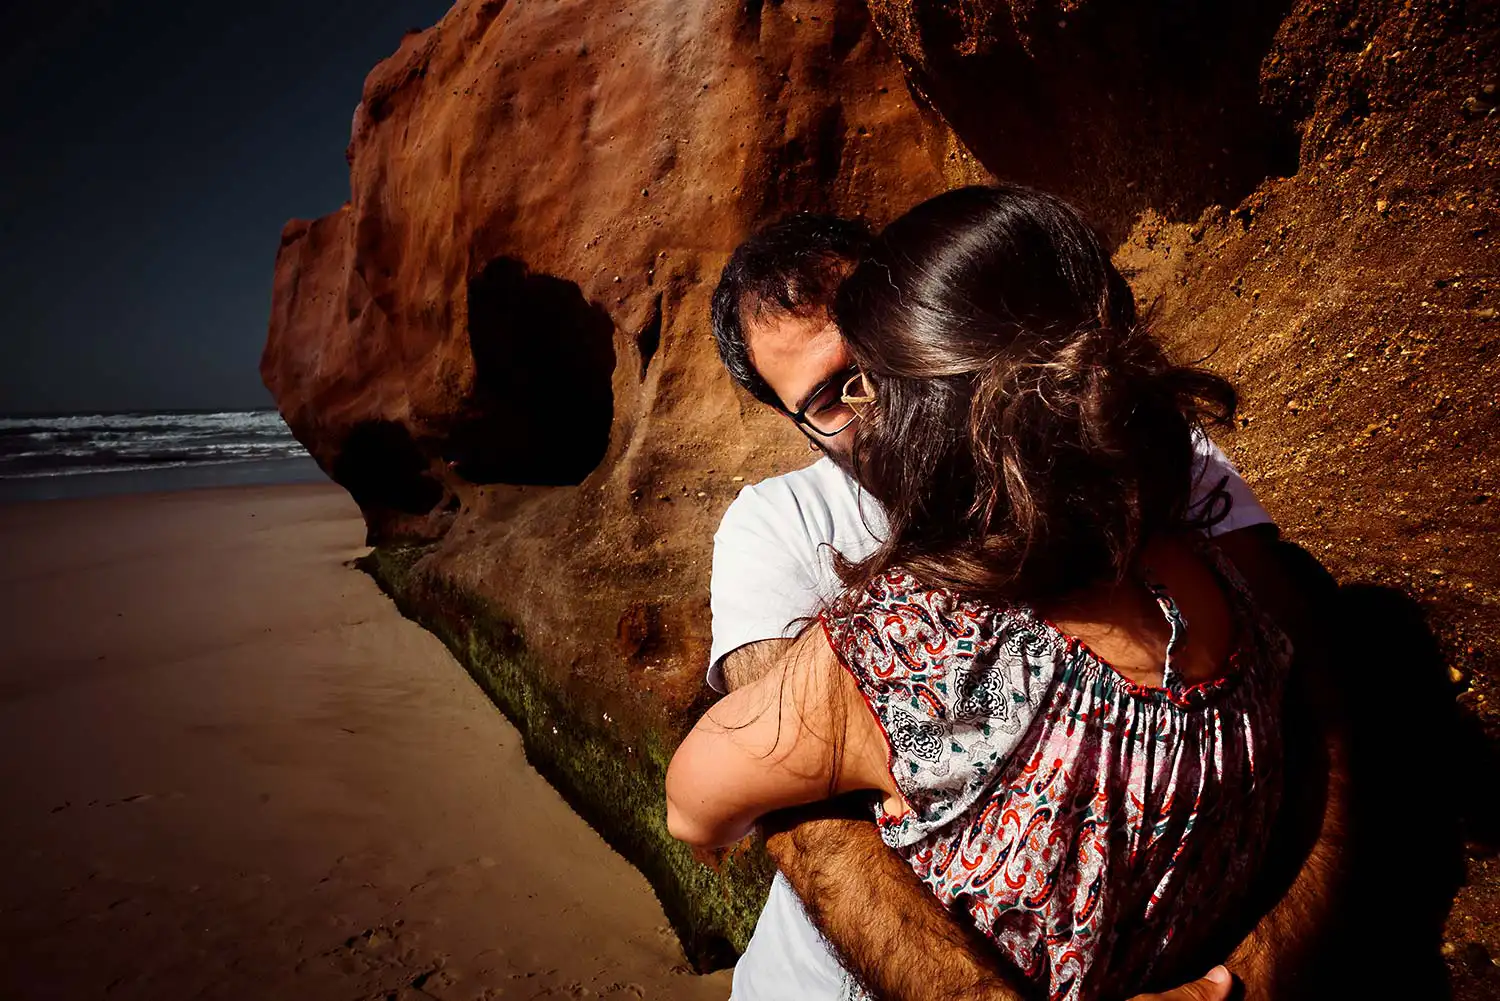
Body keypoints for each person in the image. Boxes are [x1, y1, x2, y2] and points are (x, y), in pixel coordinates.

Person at [688, 194, 1342, 1001]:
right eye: (832, 397)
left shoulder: (1142, 450)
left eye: (883, 351)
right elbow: (798, 800)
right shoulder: (779, 526)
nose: (880, 402)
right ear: (800, 425)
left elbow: (1305, 685)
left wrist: (1239, 981)